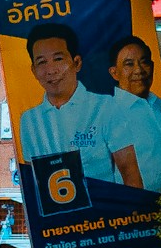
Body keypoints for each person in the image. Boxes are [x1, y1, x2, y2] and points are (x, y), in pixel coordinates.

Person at [15, 25, 129, 182]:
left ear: (77, 63)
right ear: (34, 70)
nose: (51, 70)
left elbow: (130, 173)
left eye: (58, 59)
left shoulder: (105, 106)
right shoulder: (29, 120)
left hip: (102, 198)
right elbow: (33, 179)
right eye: (42, 62)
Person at [107, 35, 161, 192]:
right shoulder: (108, 114)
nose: (139, 70)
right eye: (129, 64)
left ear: (152, 66)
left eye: (144, 62)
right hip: (135, 205)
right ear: (114, 73)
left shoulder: (159, 104)